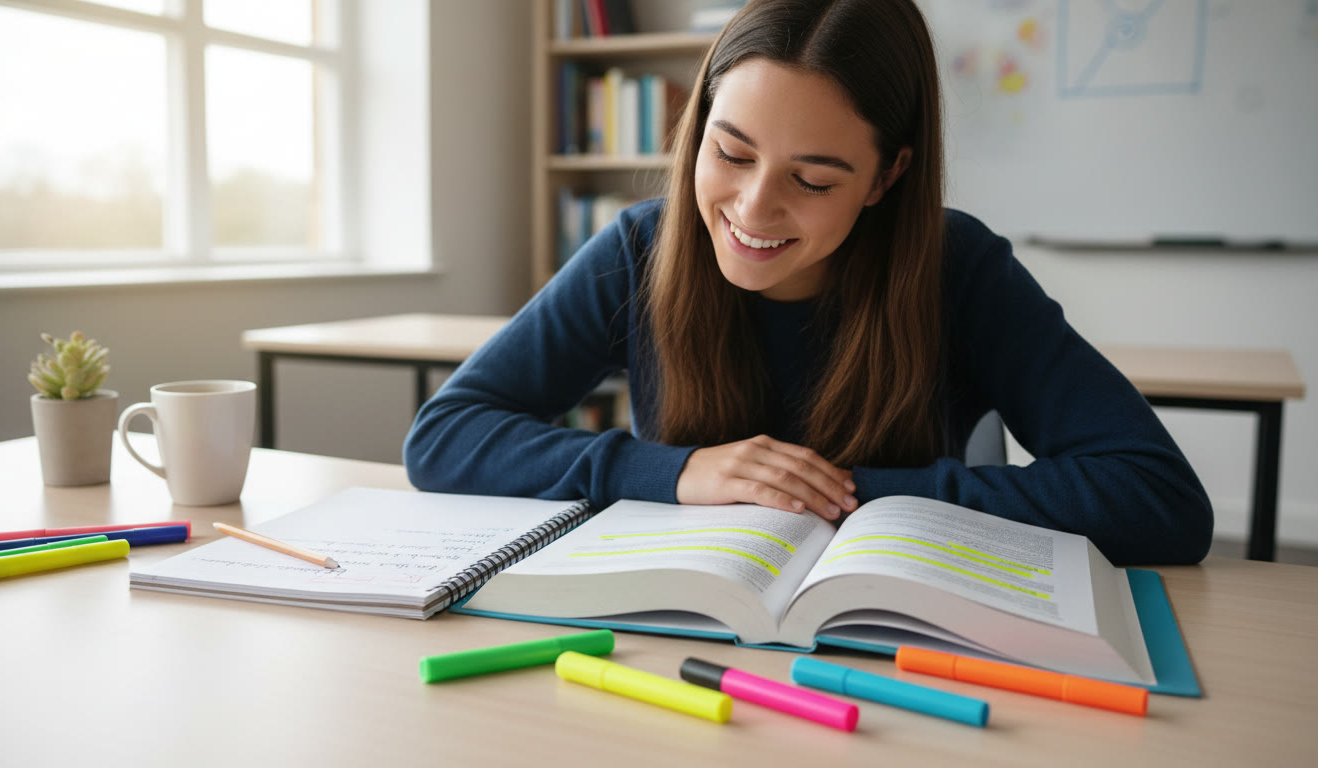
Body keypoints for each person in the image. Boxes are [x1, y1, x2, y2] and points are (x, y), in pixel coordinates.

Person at [404, 0, 1212, 565]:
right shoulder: (641, 249)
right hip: (686, 634)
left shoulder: (955, 267)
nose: (753, 209)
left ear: (886, 175)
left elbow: (1158, 498)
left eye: (815, 180)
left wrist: (855, 495)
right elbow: (444, 437)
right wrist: (676, 473)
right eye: (730, 152)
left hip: (898, 644)